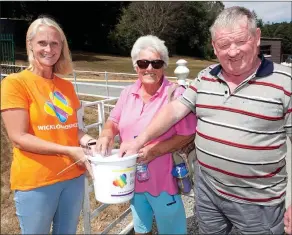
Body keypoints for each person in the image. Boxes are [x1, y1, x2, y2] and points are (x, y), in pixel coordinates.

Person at [119, 7, 292, 235]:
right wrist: (138, 141)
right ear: (213, 46)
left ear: (257, 37)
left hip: (259, 202)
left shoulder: (285, 82)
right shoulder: (206, 76)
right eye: (223, 45)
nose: (232, 52)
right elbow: (175, 110)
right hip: (209, 194)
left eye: (240, 41)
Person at [1, 16, 97, 234]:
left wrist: (89, 141)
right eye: (42, 43)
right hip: (37, 181)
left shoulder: (66, 86)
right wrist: (68, 150)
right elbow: (18, 137)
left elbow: (71, 129)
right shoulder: (15, 83)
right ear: (30, 45)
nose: (49, 49)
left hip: (72, 178)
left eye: (55, 43)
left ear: (61, 48)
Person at [96, 35, 197, 234]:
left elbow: (187, 134)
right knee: (141, 228)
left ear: (164, 67)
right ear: (136, 67)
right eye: (143, 63)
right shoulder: (127, 93)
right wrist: (106, 134)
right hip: (131, 179)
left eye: (156, 63)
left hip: (164, 180)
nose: (149, 68)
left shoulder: (175, 95)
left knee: (171, 229)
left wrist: (154, 150)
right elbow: (114, 120)